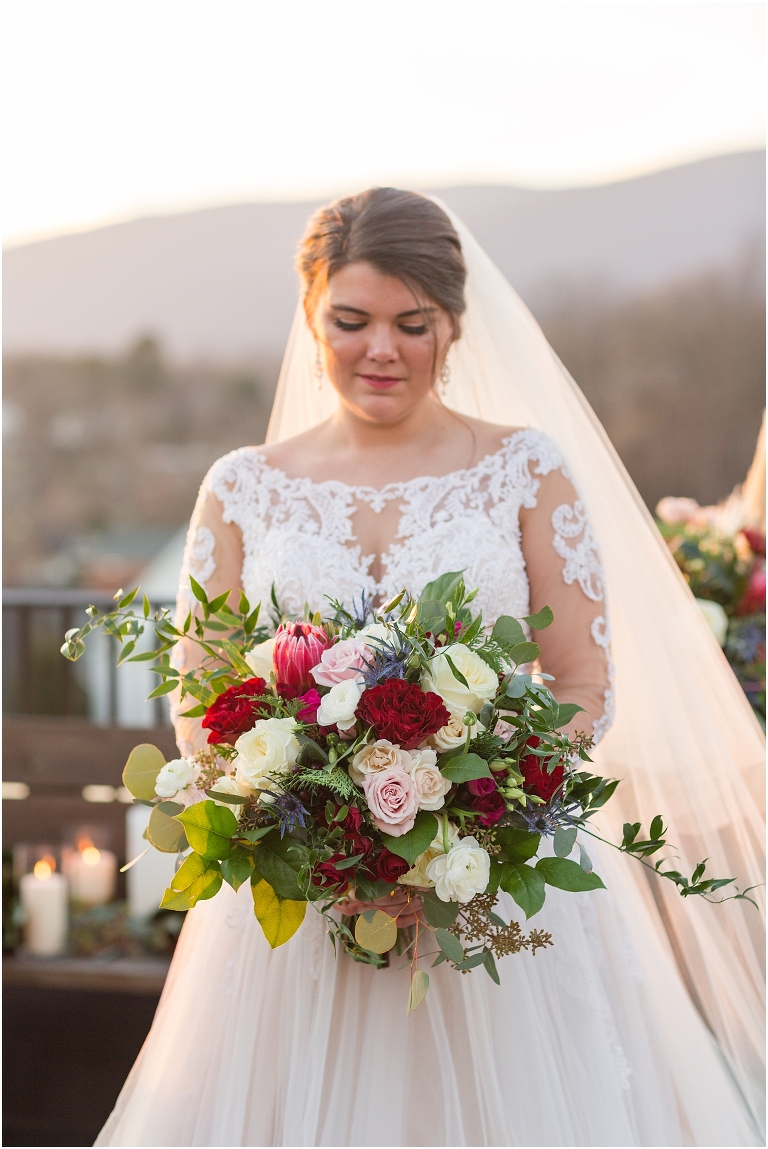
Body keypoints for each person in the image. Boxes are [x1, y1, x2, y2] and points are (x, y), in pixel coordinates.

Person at [96, 189, 764, 1147]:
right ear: (310, 314)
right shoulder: (242, 488)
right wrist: (332, 839)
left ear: (452, 324)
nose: (382, 349)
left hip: (491, 893)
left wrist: (476, 809)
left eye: (414, 323)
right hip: (304, 909)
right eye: (352, 320)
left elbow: (582, 684)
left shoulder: (527, 471)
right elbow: (203, 708)